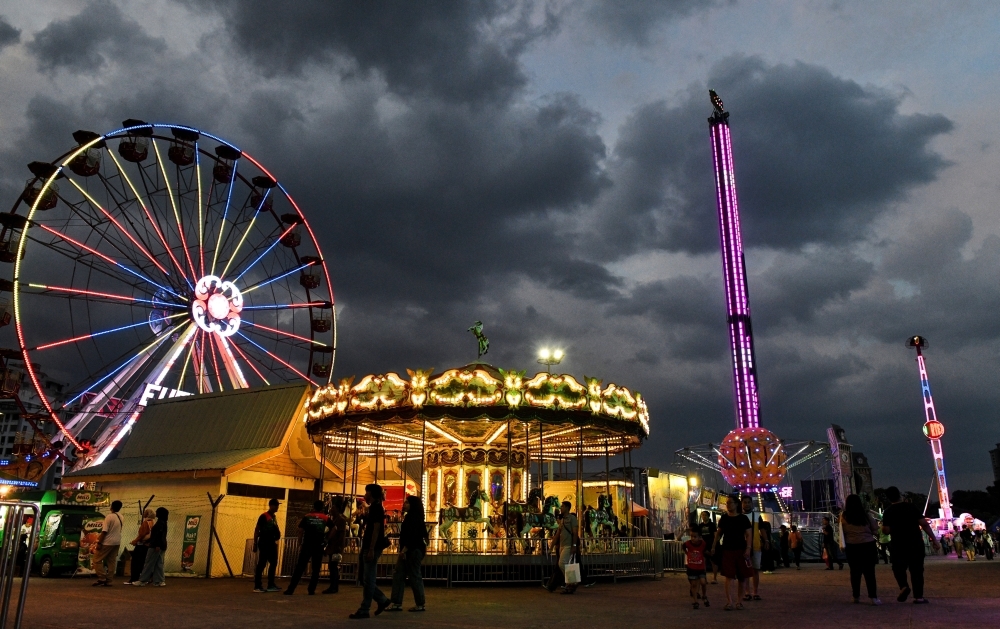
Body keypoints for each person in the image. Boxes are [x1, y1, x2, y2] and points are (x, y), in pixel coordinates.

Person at [881, 486, 939, 604]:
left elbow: (886, 530)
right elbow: (924, 524)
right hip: (915, 542)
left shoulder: (888, 511)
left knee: (898, 567)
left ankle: (903, 586)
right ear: (900, 495)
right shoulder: (911, 507)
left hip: (898, 544)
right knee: (917, 569)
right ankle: (919, 597)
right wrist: (934, 540)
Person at [350, 484, 391, 619]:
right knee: (364, 577)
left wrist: (372, 548)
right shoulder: (374, 508)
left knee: (368, 578)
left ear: (371, 493)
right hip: (369, 545)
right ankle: (382, 600)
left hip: (371, 546)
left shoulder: (377, 509)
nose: (365, 495)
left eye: (366, 492)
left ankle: (365, 608)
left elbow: (376, 528)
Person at [387, 495, 428, 612]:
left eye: (407, 503)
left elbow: (412, 536)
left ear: (412, 505)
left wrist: (404, 549)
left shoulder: (412, 518)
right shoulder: (414, 517)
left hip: (411, 550)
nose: (404, 504)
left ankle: (416, 603)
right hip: (411, 550)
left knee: (411, 576)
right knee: (401, 574)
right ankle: (397, 602)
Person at [712, 497, 753, 611]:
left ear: (736, 504)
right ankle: (729, 601)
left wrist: (748, 549)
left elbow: (749, 534)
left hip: (741, 550)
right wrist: (714, 546)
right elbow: (718, 534)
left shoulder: (743, 518)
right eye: (727, 503)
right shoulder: (724, 519)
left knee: (742, 577)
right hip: (727, 550)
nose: (728, 505)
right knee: (729, 577)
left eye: (730, 503)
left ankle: (739, 601)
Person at [840, 494, 881, 605]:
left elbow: (841, 531)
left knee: (855, 572)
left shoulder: (843, 516)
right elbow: (875, 529)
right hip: (867, 545)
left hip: (852, 546)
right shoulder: (866, 515)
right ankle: (873, 597)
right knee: (869, 573)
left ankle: (856, 596)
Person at [285, 500, 332, 595]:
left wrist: (299, 542)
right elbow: (334, 528)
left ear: (314, 507)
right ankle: (311, 590)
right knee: (316, 568)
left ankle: (291, 589)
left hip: (307, 545)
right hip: (318, 545)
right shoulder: (325, 518)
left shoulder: (307, 516)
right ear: (322, 507)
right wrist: (327, 539)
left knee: (300, 567)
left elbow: (301, 530)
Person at [545, 501, 580, 594]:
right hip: (562, 545)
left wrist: (574, 545)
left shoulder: (572, 519)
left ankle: (571, 582)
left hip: (568, 545)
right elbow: (557, 535)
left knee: (562, 563)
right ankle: (570, 583)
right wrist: (551, 546)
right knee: (564, 565)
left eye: (562, 506)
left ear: (567, 508)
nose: (561, 508)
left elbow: (575, 533)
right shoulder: (563, 520)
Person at [253, 498, 282, 593]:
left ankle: (271, 584)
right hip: (264, 542)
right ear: (271, 505)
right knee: (262, 563)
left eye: (278, 505)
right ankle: (257, 585)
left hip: (271, 542)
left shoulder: (273, 517)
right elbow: (257, 530)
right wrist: (255, 543)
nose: (277, 507)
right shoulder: (264, 516)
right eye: (276, 505)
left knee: (273, 563)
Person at [134, 507, 168, 587]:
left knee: (149, 563)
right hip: (161, 545)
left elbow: (158, 535)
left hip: (155, 546)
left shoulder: (159, 523)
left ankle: (143, 580)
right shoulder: (163, 522)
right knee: (158, 563)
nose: (156, 512)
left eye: (157, 511)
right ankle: (159, 581)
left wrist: (156, 545)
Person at [93, 500, 123, 586]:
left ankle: (102, 578)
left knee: (96, 560)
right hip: (117, 541)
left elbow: (104, 531)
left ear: (111, 507)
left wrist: (99, 542)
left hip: (107, 542)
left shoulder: (109, 517)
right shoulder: (121, 516)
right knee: (111, 561)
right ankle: (109, 579)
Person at [323, 496, 348, 594]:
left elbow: (340, 535)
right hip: (333, 546)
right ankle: (333, 586)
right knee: (332, 567)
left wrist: (337, 547)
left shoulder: (340, 520)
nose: (331, 510)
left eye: (333, 508)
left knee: (333, 567)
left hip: (335, 547)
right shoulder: (337, 519)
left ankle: (334, 586)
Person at [739, 496, 761, 600]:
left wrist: (766, 541)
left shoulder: (757, 516)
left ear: (752, 504)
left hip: (756, 546)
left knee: (755, 570)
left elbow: (762, 529)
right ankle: (747, 592)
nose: (747, 504)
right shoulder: (739, 516)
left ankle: (755, 592)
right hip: (743, 547)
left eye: (748, 502)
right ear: (741, 504)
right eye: (745, 502)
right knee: (746, 570)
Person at [126, 509, 155, 585]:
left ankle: (134, 578)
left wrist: (134, 541)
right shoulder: (153, 523)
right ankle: (147, 577)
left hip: (141, 545)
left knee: (135, 562)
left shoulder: (145, 523)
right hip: (148, 545)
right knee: (143, 562)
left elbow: (141, 535)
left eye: (145, 512)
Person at [684, 527, 710, 609]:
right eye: (691, 536)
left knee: (703, 582)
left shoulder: (703, 544)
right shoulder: (688, 543)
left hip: (700, 567)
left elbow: (705, 551)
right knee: (694, 584)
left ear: (699, 537)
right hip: (692, 567)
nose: (693, 538)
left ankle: (704, 595)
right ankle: (695, 601)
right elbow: (683, 547)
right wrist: (687, 553)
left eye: (695, 537)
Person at [697, 511, 719, 584]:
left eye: (705, 515)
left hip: (711, 544)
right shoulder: (700, 526)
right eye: (702, 515)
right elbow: (699, 536)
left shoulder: (712, 525)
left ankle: (715, 578)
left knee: (713, 562)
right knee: (703, 562)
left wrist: (714, 545)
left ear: (708, 516)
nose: (704, 516)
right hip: (703, 546)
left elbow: (715, 535)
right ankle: (704, 578)